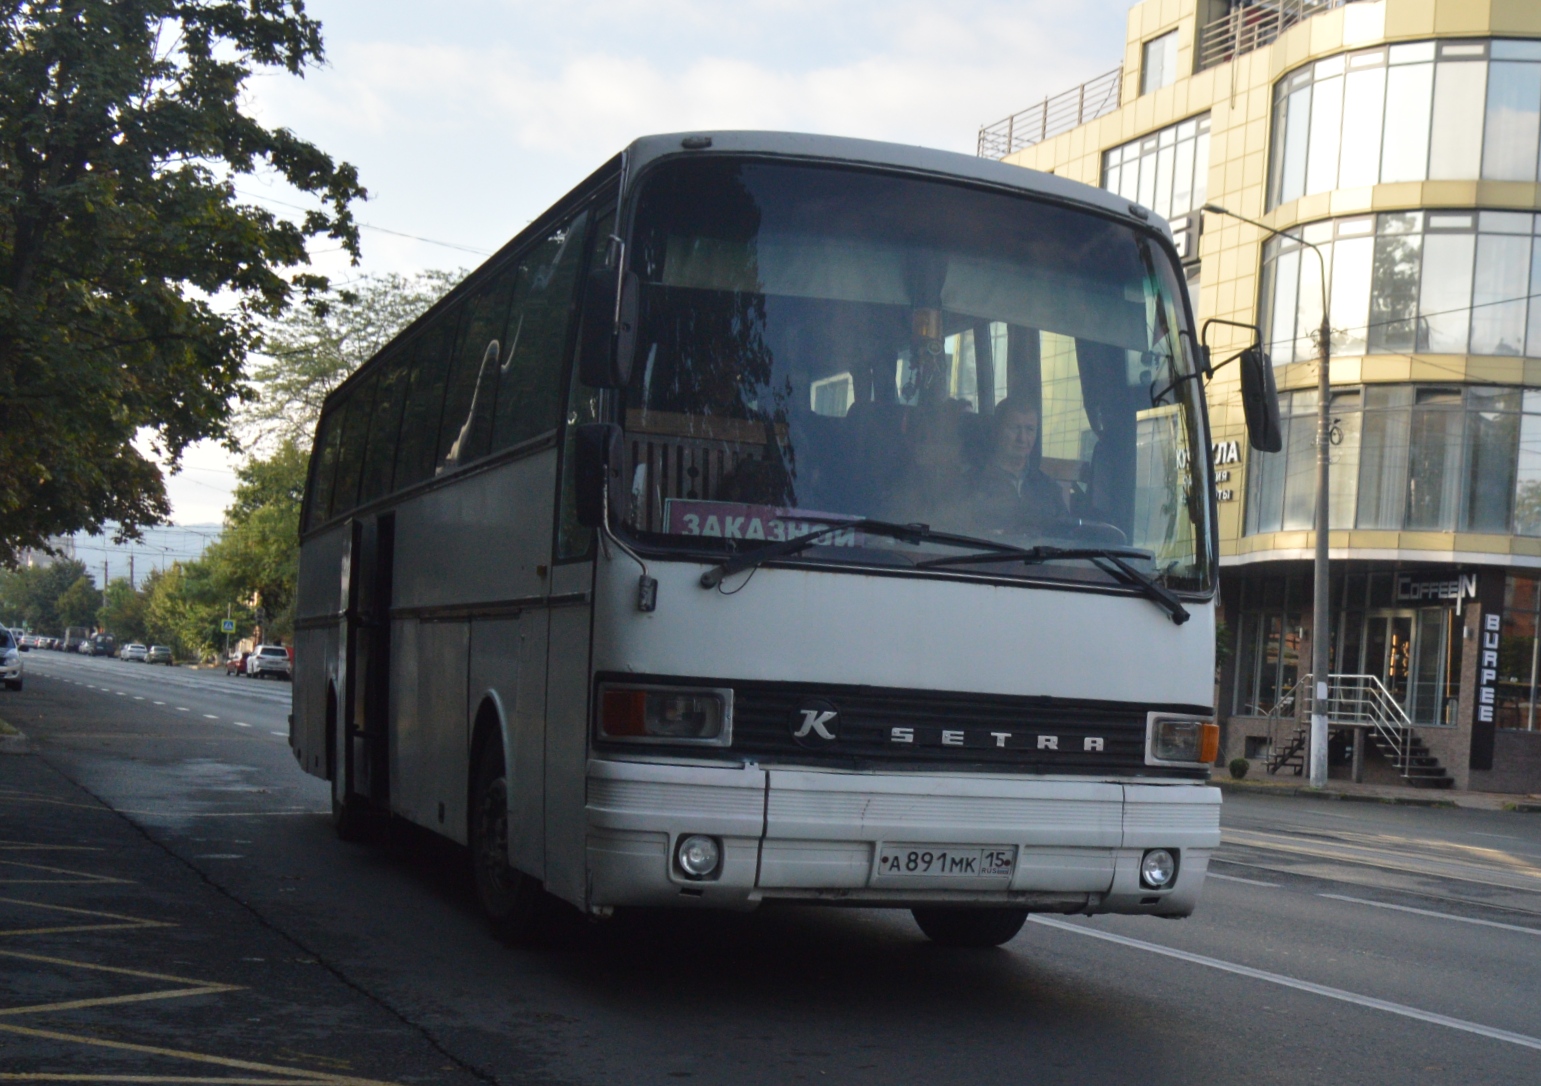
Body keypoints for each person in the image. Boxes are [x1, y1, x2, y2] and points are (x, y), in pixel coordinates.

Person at [972, 396, 1065, 531]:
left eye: (1030, 429)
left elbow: (1067, 535)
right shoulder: (972, 483)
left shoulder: (1049, 489)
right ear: (997, 430)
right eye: (1015, 428)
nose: (1022, 438)